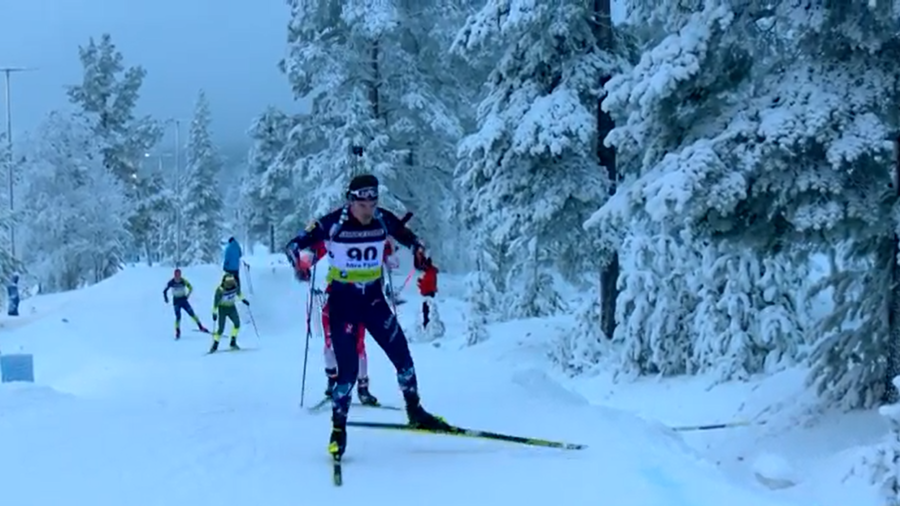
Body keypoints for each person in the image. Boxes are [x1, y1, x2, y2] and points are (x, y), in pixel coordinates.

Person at [285, 173, 451, 459]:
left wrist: (419, 251)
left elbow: (409, 237)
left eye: (374, 202)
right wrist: (299, 265)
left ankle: (415, 410)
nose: (369, 209)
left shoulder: (382, 219)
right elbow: (294, 245)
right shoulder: (333, 223)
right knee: (347, 372)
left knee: (402, 354)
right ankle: (338, 429)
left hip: (373, 300)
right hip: (343, 303)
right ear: (352, 201)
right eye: (364, 204)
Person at [289, 241, 383, 406]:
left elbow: (384, 254)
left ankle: (362, 388)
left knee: (359, 346)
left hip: (361, 299)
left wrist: (388, 256)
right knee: (331, 343)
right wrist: (300, 267)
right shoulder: (332, 237)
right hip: (334, 300)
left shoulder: (367, 235)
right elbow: (309, 257)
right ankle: (333, 380)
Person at [209, 273, 250, 353]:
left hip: (231, 307)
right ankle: (215, 345)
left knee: (237, 324)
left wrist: (243, 299)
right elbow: (215, 303)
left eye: (231, 281)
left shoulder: (235, 286)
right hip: (222, 309)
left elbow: (239, 293)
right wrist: (214, 313)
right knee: (221, 329)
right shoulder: (220, 290)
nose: (230, 284)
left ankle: (233, 342)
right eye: (228, 282)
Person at [163, 268, 208, 339]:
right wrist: (166, 298)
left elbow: (190, 287)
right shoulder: (171, 282)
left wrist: (187, 295)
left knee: (192, 314)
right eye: (176, 275)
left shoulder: (183, 281)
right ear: (174, 275)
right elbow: (165, 290)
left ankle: (200, 327)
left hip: (183, 300)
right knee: (178, 317)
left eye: (179, 275)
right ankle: (177, 331)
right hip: (176, 301)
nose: (177, 277)